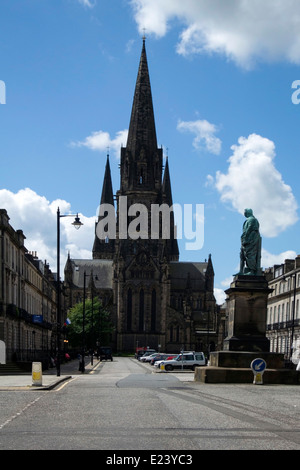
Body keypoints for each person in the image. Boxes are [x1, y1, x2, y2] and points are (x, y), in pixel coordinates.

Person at [238, 208, 262, 276]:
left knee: (250, 254)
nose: (244, 213)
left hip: (251, 239)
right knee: (243, 255)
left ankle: (252, 270)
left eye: (245, 212)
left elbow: (249, 228)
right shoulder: (249, 220)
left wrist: (245, 237)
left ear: (248, 212)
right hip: (246, 240)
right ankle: (241, 271)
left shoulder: (252, 219)